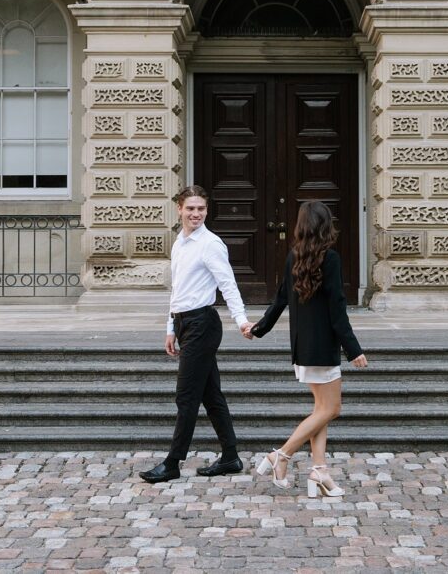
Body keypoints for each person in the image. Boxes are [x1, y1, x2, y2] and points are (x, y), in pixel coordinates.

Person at [245, 200, 367, 497]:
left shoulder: (294, 257)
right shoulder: (331, 258)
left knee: (321, 410)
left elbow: (279, 301)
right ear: (325, 226)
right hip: (323, 348)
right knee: (332, 408)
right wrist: (353, 350)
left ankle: (319, 470)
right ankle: (281, 455)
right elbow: (338, 309)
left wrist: (259, 329)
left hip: (302, 348)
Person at [139, 185, 255, 484]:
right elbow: (178, 290)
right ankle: (230, 457)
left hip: (203, 324)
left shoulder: (211, 244)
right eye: (190, 208)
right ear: (179, 208)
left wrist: (241, 320)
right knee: (211, 395)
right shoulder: (179, 243)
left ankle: (173, 462)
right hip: (184, 323)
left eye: (201, 209)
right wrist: (170, 328)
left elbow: (227, 284)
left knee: (186, 396)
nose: (196, 214)